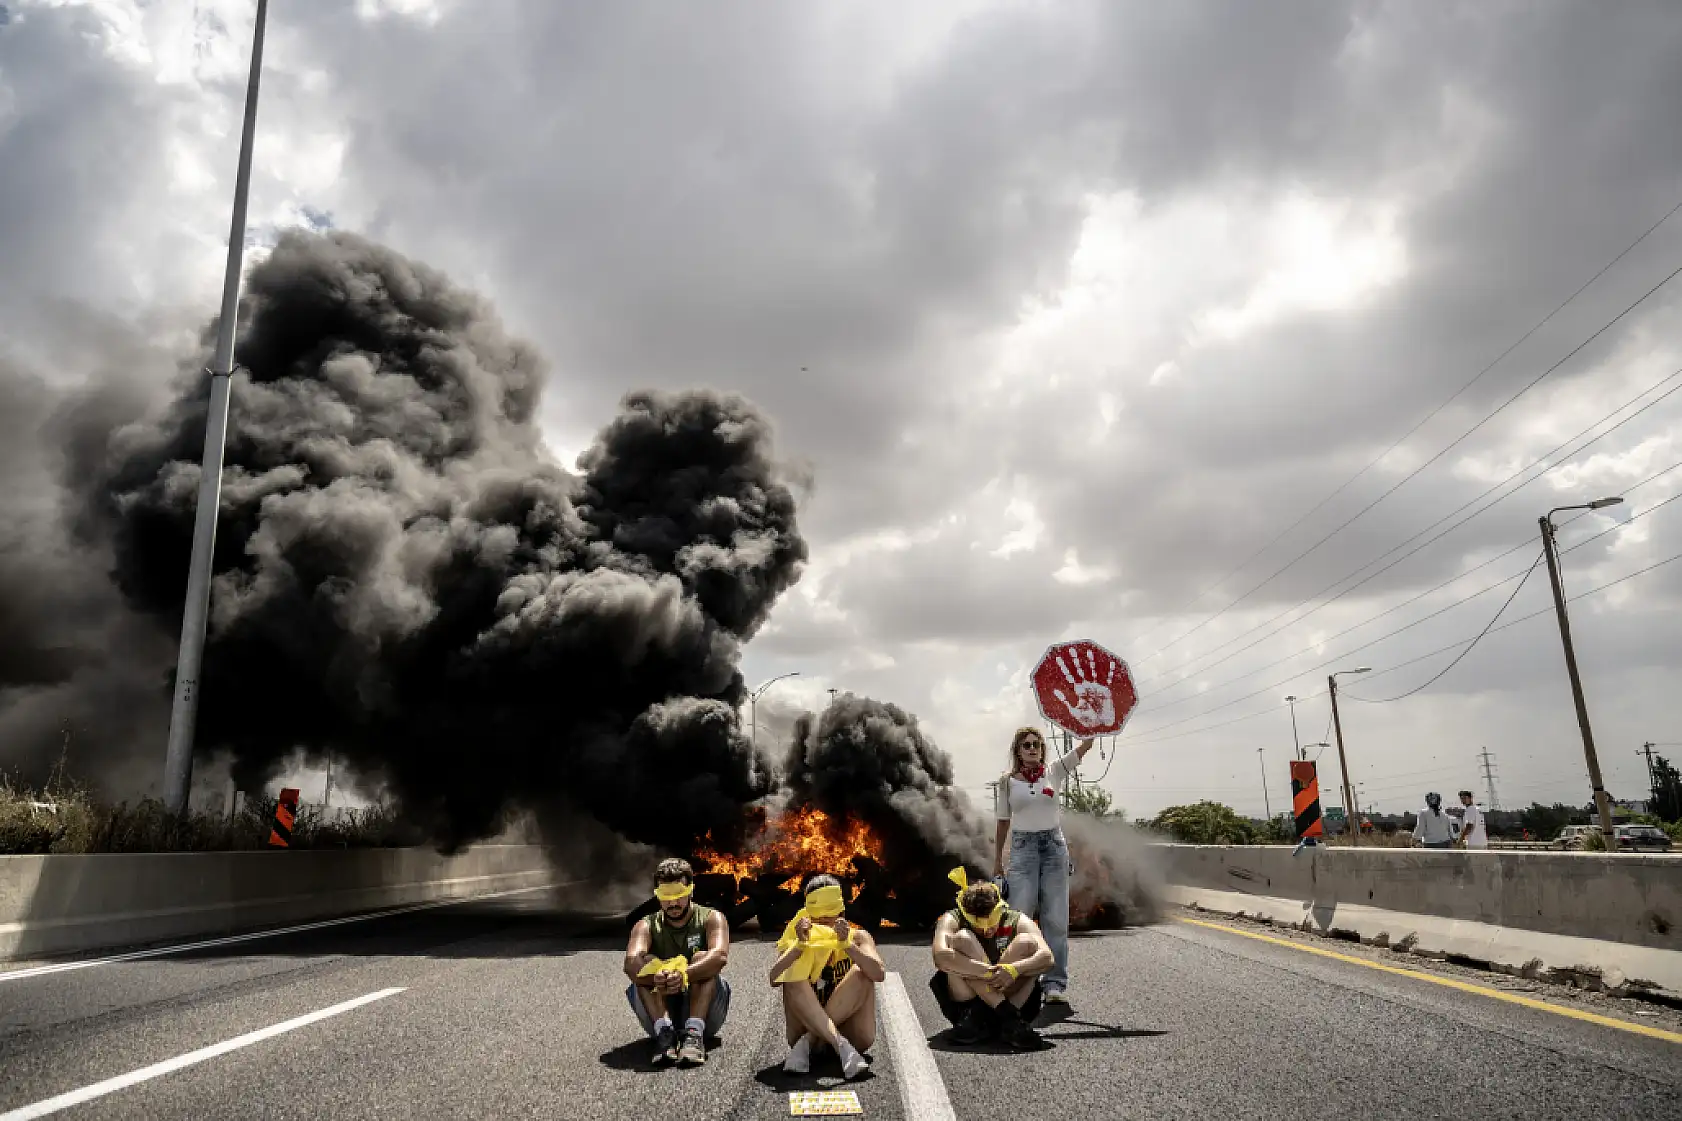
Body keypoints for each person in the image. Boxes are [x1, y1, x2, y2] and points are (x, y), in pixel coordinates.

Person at [993, 726, 1094, 1004]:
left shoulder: (1054, 771)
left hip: (1053, 848)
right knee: (1020, 916)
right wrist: (997, 862)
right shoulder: (1007, 782)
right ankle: (1022, 977)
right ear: (1018, 750)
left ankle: (1054, 984)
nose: (1033, 748)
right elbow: (1003, 822)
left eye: (1037, 744)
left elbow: (1084, 747)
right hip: (1022, 851)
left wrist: (1091, 726)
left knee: (1055, 918)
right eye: (1027, 745)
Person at [770, 874, 886, 1080]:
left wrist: (847, 946)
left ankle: (813, 1039)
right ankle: (840, 1045)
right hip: (804, 1024)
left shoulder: (859, 937)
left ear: (841, 910)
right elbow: (774, 978)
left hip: (854, 1034)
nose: (824, 920)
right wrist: (798, 947)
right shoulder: (796, 938)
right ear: (808, 913)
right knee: (792, 977)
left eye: (830, 914)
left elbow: (878, 973)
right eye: (818, 916)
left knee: (861, 972)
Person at [623, 857, 732, 1066]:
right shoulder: (644, 925)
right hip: (660, 1009)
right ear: (657, 895)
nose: (673, 903)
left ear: (691, 891)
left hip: (707, 1011)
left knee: (704, 958)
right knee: (645, 963)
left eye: (679, 895)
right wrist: (656, 976)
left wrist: (684, 975)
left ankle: (694, 1033)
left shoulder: (712, 918)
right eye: (666, 896)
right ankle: (664, 1033)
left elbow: (719, 955)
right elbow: (630, 962)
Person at [930, 869, 1054, 1049]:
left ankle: (997, 1016)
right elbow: (940, 957)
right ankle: (1007, 1017)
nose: (987, 931)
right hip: (967, 1005)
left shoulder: (1017, 919)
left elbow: (1047, 957)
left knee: (1027, 942)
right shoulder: (952, 918)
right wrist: (988, 972)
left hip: (1013, 994)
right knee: (962, 939)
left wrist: (1014, 969)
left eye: (992, 923)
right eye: (979, 927)